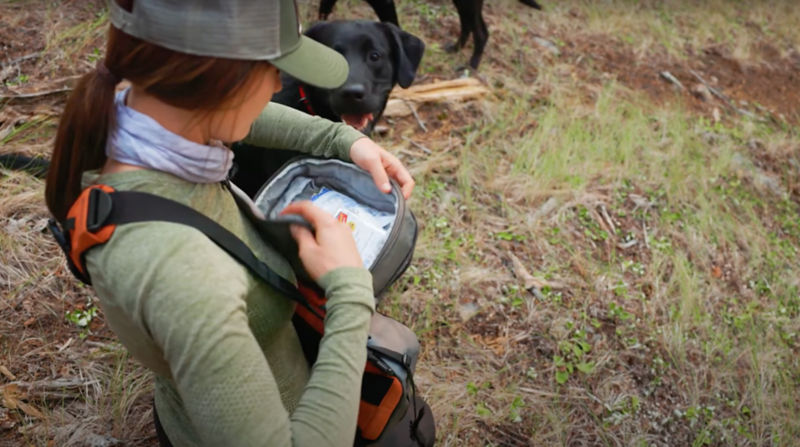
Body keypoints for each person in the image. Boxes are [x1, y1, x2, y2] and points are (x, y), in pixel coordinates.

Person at [44, 0, 417, 445]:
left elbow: (247, 115)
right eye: (273, 68)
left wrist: (342, 139)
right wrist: (349, 289)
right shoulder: (182, 274)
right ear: (220, 79)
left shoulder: (140, 118)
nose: (280, 83)